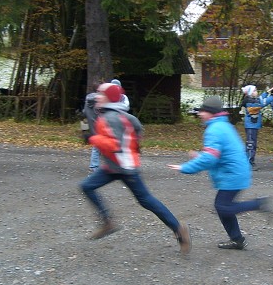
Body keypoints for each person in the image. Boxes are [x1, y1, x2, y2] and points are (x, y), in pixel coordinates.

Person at [79, 82, 191, 253]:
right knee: (86, 186)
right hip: (114, 166)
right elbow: (138, 130)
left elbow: (114, 145)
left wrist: (93, 139)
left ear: (109, 98)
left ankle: (178, 229)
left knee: (146, 201)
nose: (97, 96)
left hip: (125, 168)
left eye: (100, 94)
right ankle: (107, 222)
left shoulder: (110, 118)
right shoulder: (123, 116)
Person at [168, 96, 272, 250]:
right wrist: (199, 156)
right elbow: (216, 155)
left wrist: (186, 168)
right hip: (236, 172)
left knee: (222, 207)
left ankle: (259, 204)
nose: (199, 114)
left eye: (202, 111)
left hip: (233, 174)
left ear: (210, 113)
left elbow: (210, 158)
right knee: (223, 206)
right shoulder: (223, 126)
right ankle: (237, 240)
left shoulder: (215, 129)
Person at [83, 79, 130, 173]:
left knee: (98, 146)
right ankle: (114, 166)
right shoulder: (109, 98)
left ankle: (94, 166)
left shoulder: (91, 99)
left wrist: (85, 129)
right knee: (114, 145)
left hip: (95, 125)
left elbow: (84, 113)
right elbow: (124, 109)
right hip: (106, 125)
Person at [240, 84, 273, 169]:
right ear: (250, 93)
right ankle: (248, 163)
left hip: (253, 126)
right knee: (250, 144)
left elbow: (260, 98)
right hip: (251, 126)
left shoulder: (252, 99)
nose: (256, 92)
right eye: (255, 91)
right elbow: (262, 103)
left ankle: (249, 161)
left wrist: (268, 92)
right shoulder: (251, 102)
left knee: (252, 143)